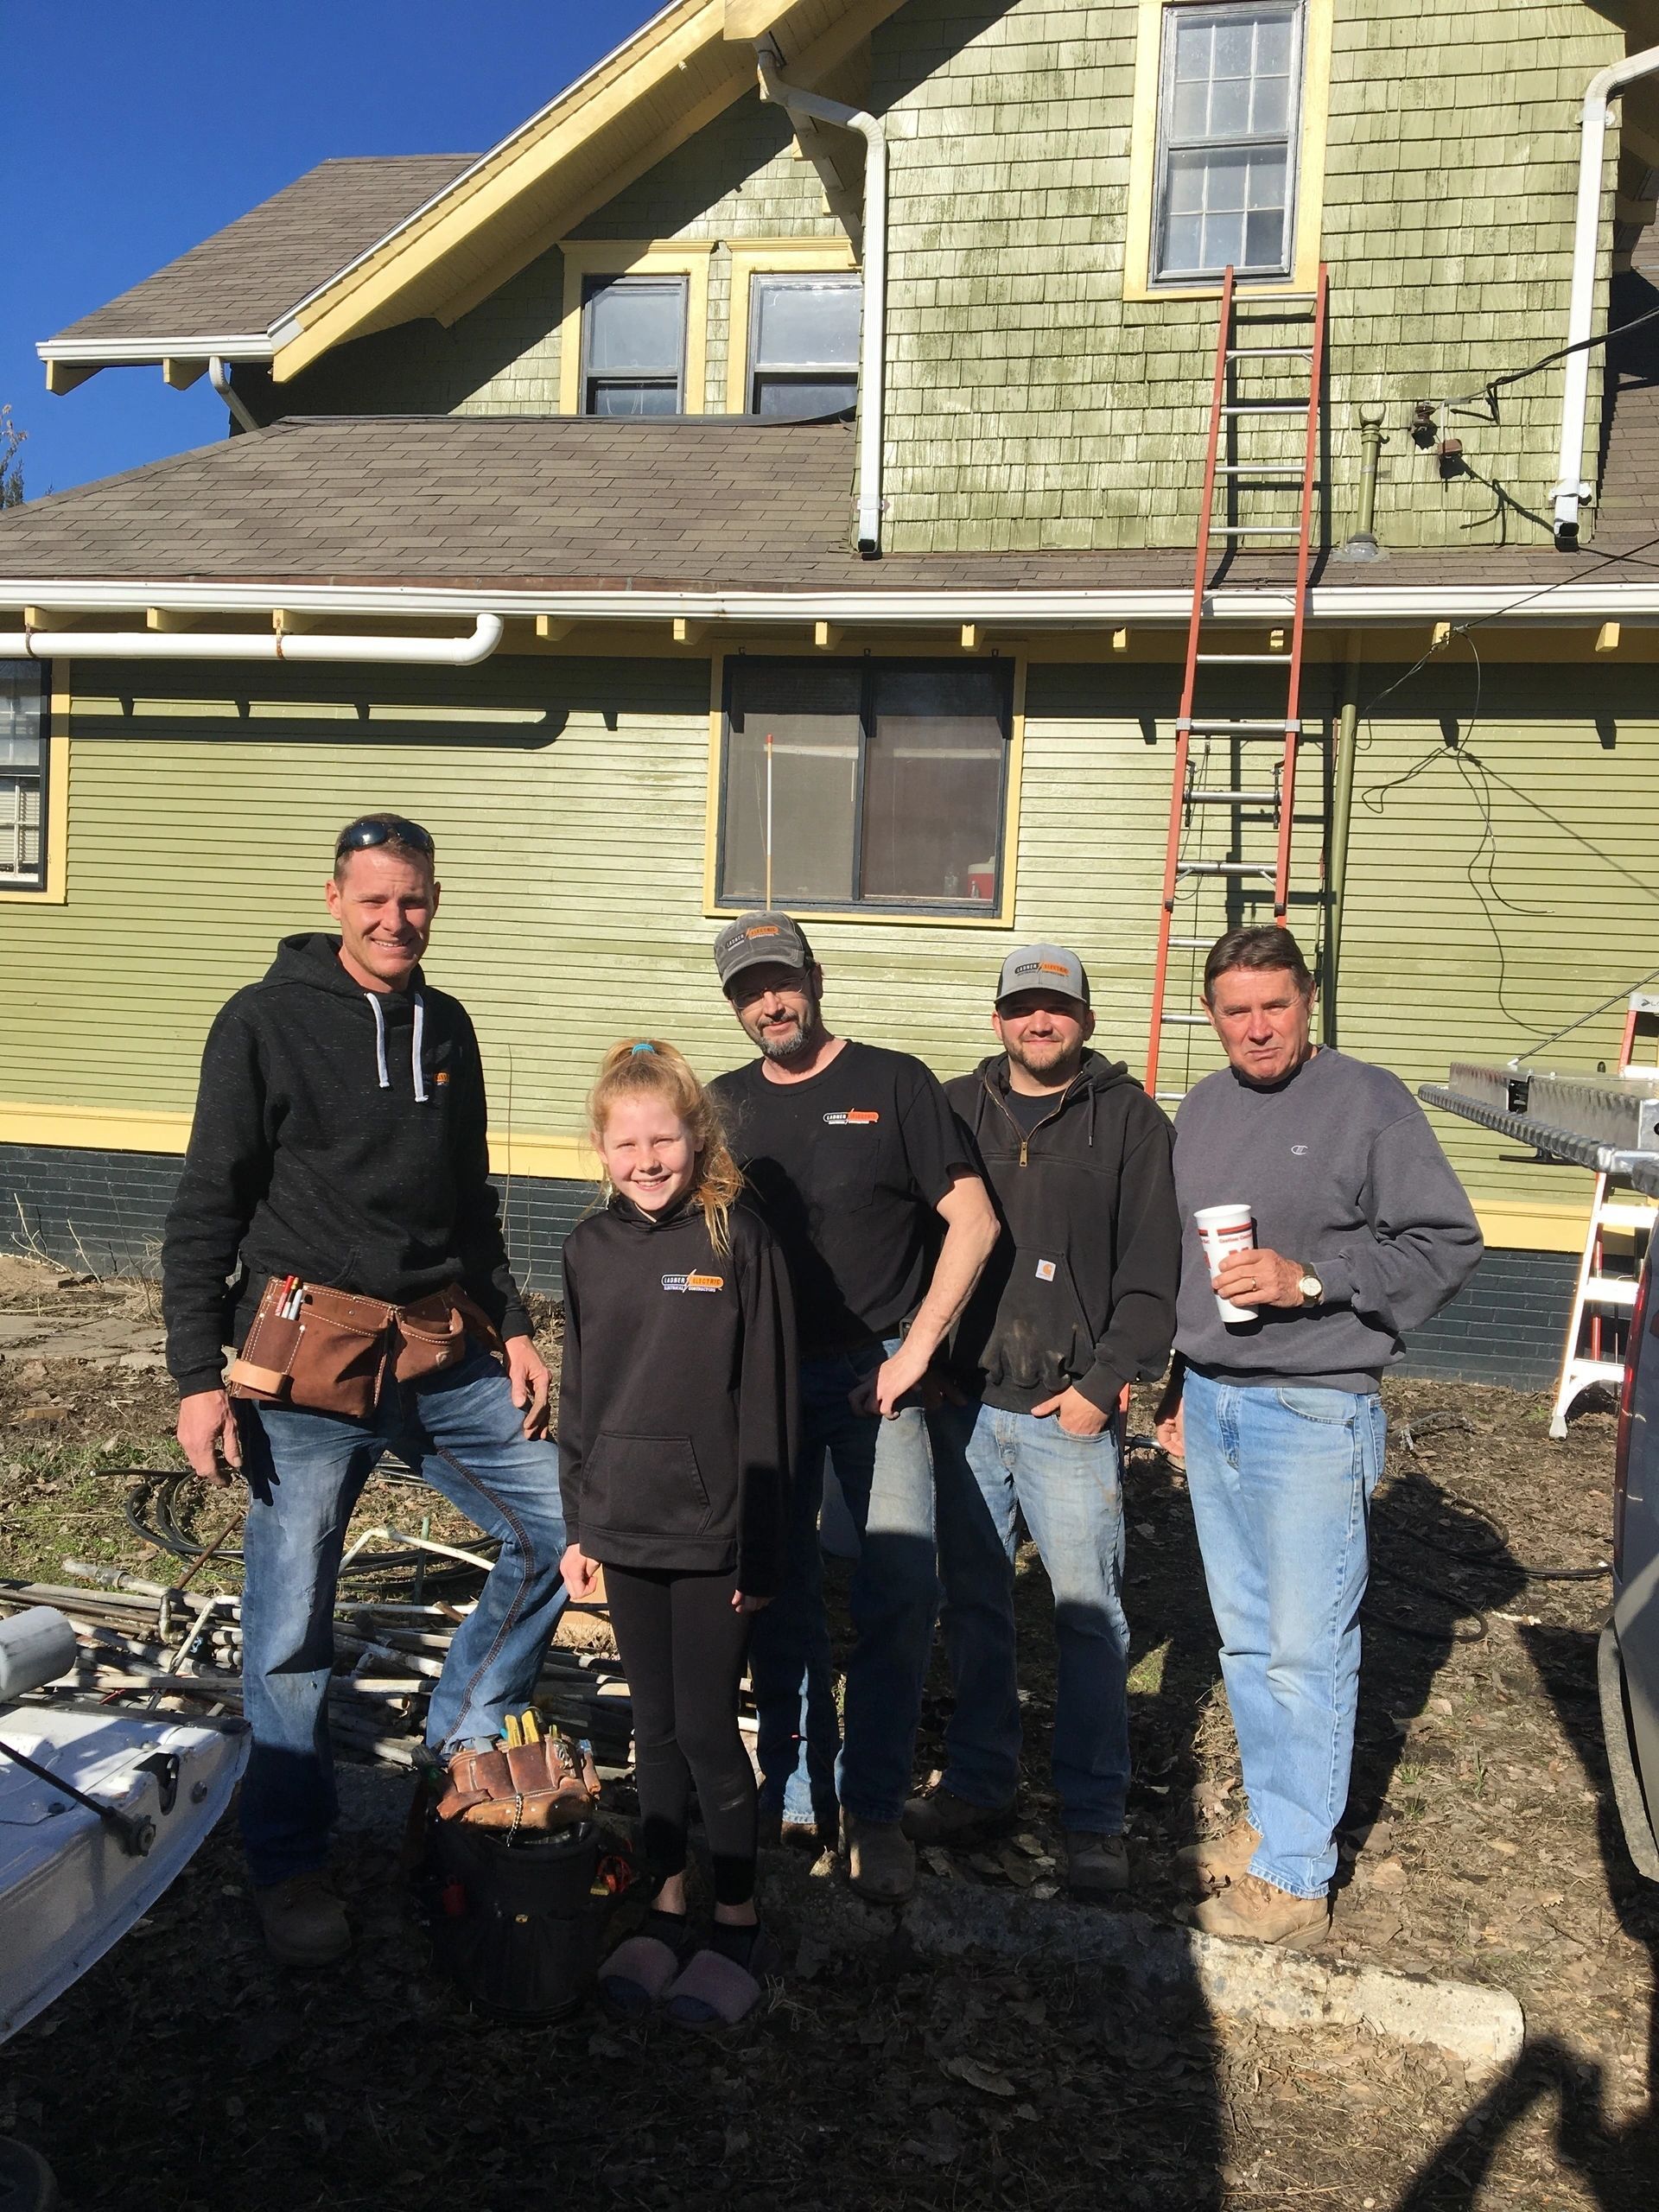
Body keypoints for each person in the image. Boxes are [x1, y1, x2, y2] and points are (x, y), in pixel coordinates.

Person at [162, 813, 567, 1967]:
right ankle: (289, 1863)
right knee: (290, 1630)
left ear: (438, 900)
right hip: (306, 1364)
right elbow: (207, 1205)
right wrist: (200, 1376)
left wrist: (518, 1327)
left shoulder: (450, 1025)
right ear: (336, 897)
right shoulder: (262, 1023)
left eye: (418, 901)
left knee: (562, 1523)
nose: (398, 921)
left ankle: (461, 1747)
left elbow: (473, 1202)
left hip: (441, 1349)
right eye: (377, 899)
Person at [1155, 925, 1482, 1945]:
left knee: (1304, 1646)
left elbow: (1446, 1241)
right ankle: (1273, 1827)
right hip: (1214, 1404)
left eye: (1275, 1006)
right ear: (1211, 1015)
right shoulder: (1202, 1108)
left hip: (1312, 1409)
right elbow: (1182, 1261)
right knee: (1249, 1638)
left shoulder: (1368, 1102)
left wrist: (1313, 1279)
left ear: (1308, 1004)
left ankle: (1298, 1878)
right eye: (1235, 1009)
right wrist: (1175, 1385)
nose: (1256, 1027)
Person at [709, 912, 999, 1904]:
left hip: (879, 1373)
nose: (769, 1003)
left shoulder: (894, 1082)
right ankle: (791, 1795)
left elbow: (974, 1217)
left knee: (899, 1589)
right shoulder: (723, 1106)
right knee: (779, 1594)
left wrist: (918, 1347)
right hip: (768, 1378)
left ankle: (872, 1811)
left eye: (781, 981)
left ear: (814, 977)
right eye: (749, 991)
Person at [916, 944, 1180, 1895]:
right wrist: (933, 1362)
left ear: (1086, 1020)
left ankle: (1094, 1815)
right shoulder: (948, 1108)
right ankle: (980, 1784)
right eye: (1023, 1007)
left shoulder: (1134, 1123)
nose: (1040, 1023)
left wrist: (1102, 1385)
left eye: (1057, 1008)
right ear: (997, 1020)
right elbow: (914, 1242)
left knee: (1088, 1618)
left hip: (1069, 1411)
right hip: (968, 1408)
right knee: (976, 1606)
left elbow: (1156, 1280)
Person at [557, 1039, 795, 2027]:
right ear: (601, 1149)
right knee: (650, 1733)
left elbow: (771, 1404)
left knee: (704, 1730)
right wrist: (581, 1524)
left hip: (715, 1534)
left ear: (698, 1139)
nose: (647, 1159)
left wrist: (763, 1545)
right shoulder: (586, 1250)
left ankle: (735, 1918)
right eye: (627, 1143)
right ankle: (663, 1905)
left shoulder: (738, 1241)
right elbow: (581, 1394)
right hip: (626, 1528)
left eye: (665, 1139)